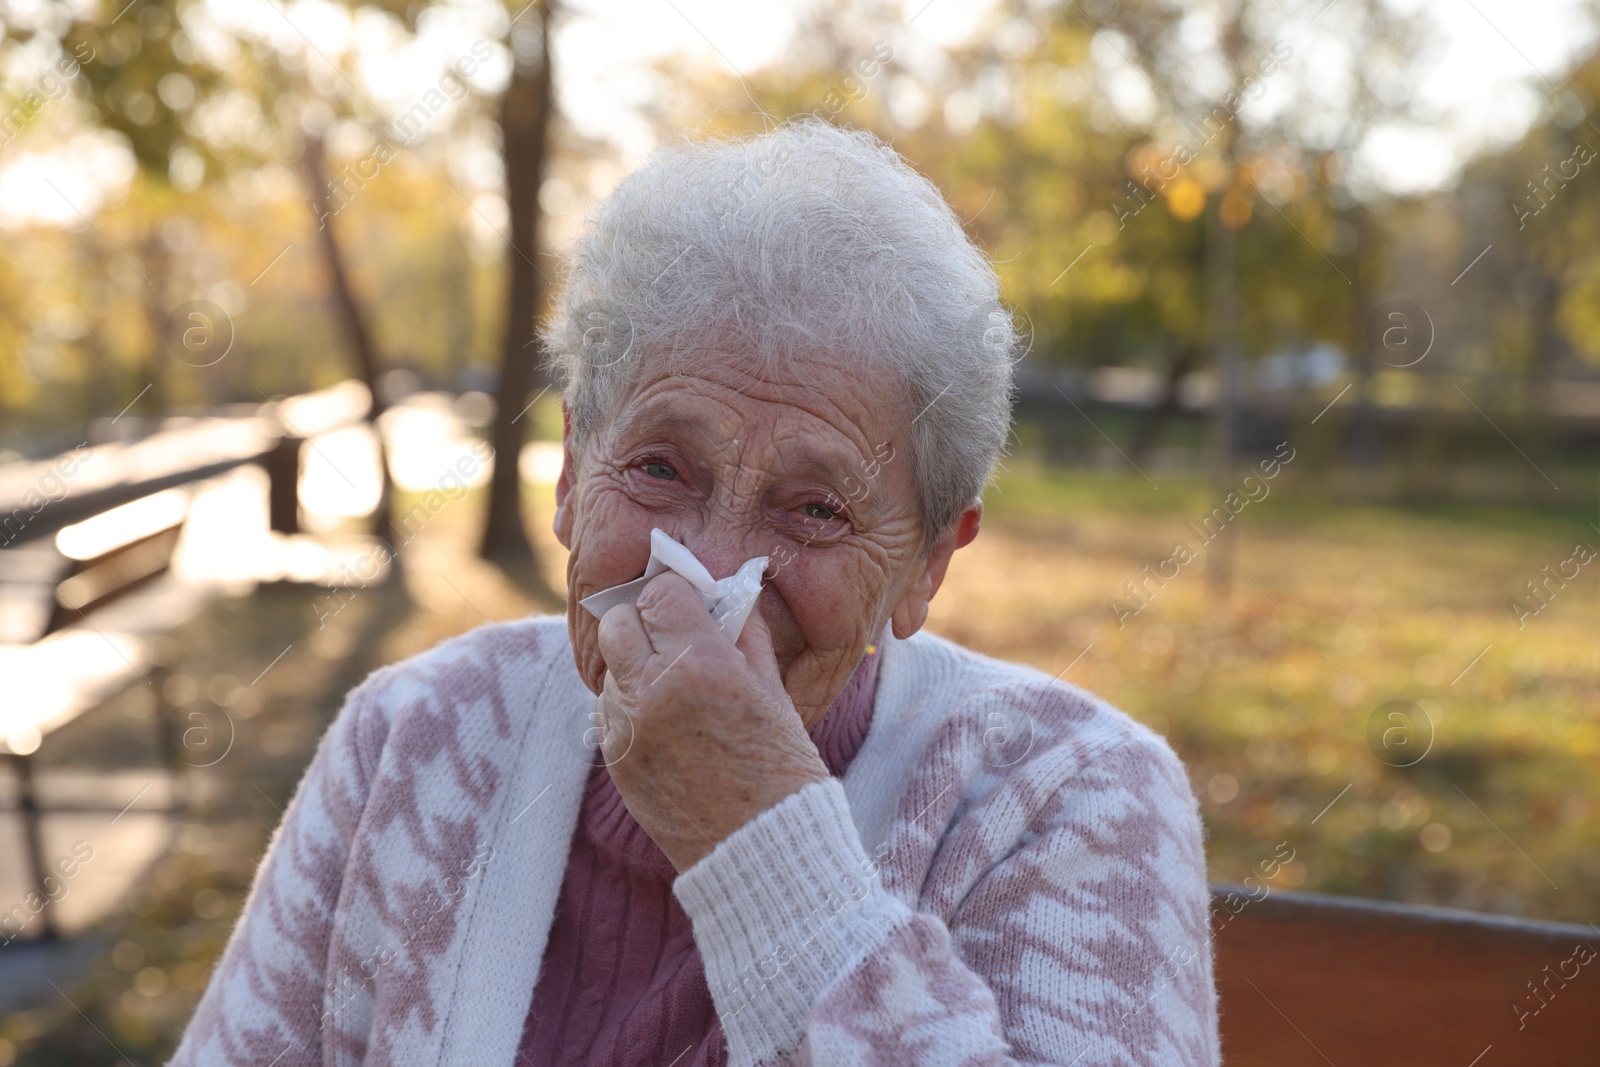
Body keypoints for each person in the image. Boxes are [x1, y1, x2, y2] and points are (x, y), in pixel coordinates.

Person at [170, 119, 1218, 1066]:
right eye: (662, 469)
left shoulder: (1070, 793)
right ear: (575, 472)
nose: (711, 573)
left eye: (815, 508)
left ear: (929, 563)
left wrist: (754, 840)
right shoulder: (412, 735)